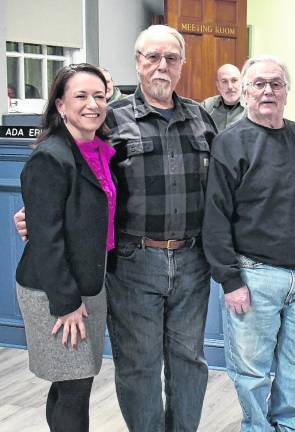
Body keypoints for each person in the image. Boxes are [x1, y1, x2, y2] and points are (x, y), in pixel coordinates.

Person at [203, 55, 295, 431]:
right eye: (259, 84)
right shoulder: (230, 143)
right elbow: (215, 216)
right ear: (246, 91)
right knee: (252, 371)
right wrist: (230, 280)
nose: (268, 91)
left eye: (276, 84)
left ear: (286, 92)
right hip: (254, 275)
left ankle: (290, 427)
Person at [103, 25, 217, 431]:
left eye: (171, 58)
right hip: (133, 262)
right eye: (153, 57)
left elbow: (223, 189)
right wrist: (40, 212)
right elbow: (77, 176)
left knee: (190, 362)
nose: (161, 66)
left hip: (192, 261)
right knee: (139, 365)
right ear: (138, 62)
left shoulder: (201, 118)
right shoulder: (110, 119)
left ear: (182, 64)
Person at [16, 63, 115, 432]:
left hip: (90, 283)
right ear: (60, 104)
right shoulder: (51, 156)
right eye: (81, 96)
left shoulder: (100, 150)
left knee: (72, 381)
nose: (93, 104)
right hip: (56, 291)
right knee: (74, 385)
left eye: (99, 96)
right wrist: (66, 303)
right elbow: (47, 239)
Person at [201, 63, 246, 131]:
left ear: (242, 82)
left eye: (234, 80)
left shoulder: (253, 107)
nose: (230, 86)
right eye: (224, 81)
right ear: (218, 85)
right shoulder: (206, 106)